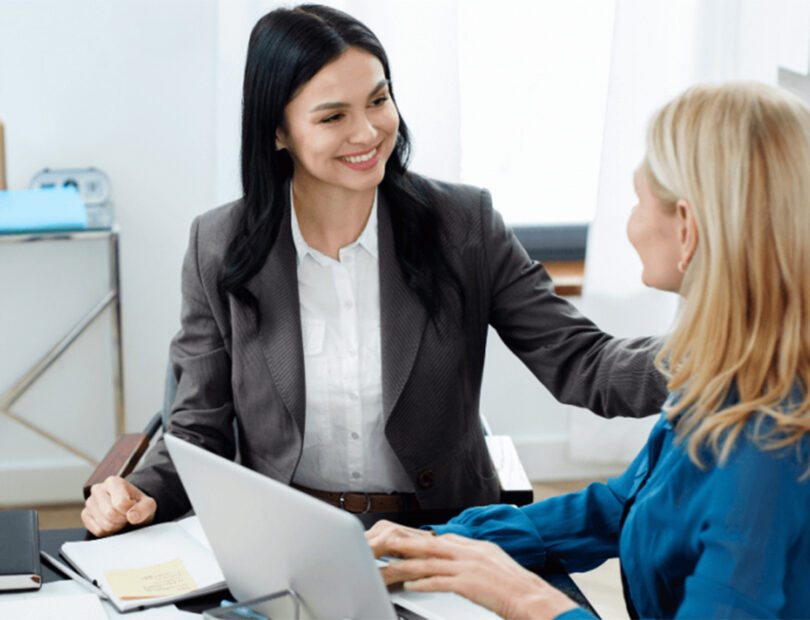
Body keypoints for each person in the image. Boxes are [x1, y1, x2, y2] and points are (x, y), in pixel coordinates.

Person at [81, 4, 667, 537]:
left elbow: (583, 363)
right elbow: (197, 431)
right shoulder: (219, 244)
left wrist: (718, 354)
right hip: (288, 536)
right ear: (278, 131)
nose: (368, 133)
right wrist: (138, 493)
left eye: (378, 100)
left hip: (443, 532)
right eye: (333, 115)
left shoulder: (464, 225)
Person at [368, 81, 810, 618]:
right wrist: (447, 543)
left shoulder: (764, 449)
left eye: (639, 200)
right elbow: (622, 506)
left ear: (688, 229)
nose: (631, 224)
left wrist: (524, 597)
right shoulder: (736, 378)